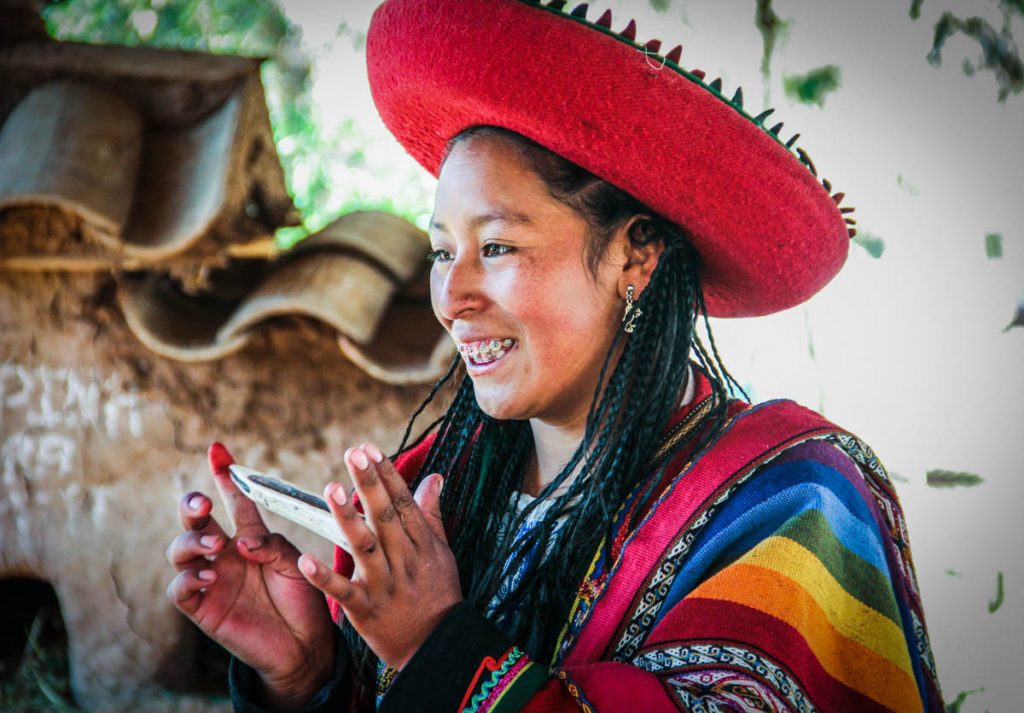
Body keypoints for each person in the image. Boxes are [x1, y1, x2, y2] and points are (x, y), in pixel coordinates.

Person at [166, 1, 944, 711]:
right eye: (443, 252)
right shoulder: (430, 493)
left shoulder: (794, 505)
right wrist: (304, 674)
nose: (453, 295)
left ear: (635, 256)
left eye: (497, 246)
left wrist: (439, 644)